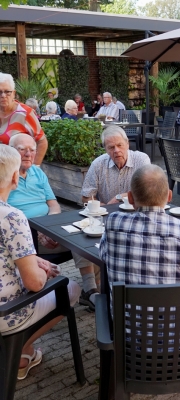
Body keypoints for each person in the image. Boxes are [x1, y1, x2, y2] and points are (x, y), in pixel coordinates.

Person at [0, 144, 80, 379]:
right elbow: (35, 284)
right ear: (15, 177)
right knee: (70, 287)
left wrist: (35, 260)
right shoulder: (13, 217)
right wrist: (43, 271)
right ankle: (21, 351)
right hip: (6, 313)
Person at [99, 164, 180, 302]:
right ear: (169, 196)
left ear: (130, 198)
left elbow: (103, 255)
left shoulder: (113, 223)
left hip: (126, 323)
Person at [8, 134, 100, 311]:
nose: (28, 153)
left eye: (32, 150)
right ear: (12, 151)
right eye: (22, 149)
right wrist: (39, 230)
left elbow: (54, 205)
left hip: (48, 230)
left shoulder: (38, 172)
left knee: (82, 235)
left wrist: (49, 227)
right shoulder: (5, 177)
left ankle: (90, 290)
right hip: (26, 239)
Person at [81, 125, 150, 204]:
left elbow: (148, 191)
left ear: (127, 144)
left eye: (120, 145)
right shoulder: (98, 164)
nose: (116, 150)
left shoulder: (141, 160)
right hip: (107, 214)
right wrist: (105, 208)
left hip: (135, 211)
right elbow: (86, 197)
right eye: (111, 147)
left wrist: (120, 197)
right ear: (105, 150)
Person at [0, 73, 48, 165]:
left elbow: (42, 141)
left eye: (7, 92)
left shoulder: (25, 113)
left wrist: (35, 168)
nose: (3, 95)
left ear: (14, 93)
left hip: (16, 172)